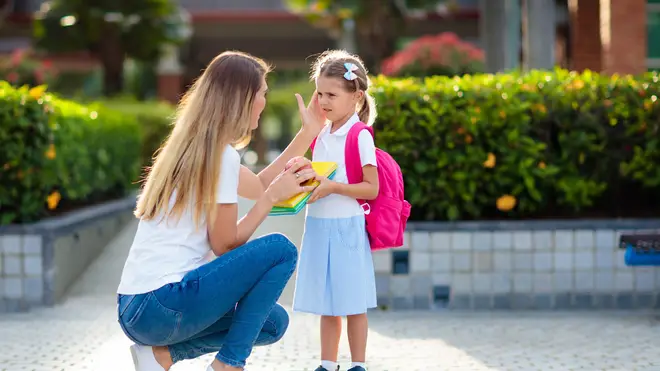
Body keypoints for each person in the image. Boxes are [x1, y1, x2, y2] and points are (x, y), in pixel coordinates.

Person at [115, 50, 326, 371]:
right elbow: (225, 244)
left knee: (271, 322)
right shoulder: (220, 156)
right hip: (161, 304)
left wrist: (307, 133)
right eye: (262, 94)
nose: (264, 103)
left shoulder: (194, 147)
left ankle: (160, 357)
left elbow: (257, 185)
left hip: (135, 308)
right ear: (242, 98)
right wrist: (271, 199)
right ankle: (229, 365)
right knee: (280, 250)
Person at [292, 50, 379, 371]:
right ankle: (328, 363)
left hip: (347, 229)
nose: (323, 101)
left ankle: (358, 364)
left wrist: (332, 188)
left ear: (356, 97)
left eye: (331, 94)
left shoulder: (359, 136)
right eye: (320, 93)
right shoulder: (321, 134)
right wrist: (305, 187)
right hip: (318, 226)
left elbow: (371, 188)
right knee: (328, 304)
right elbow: (320, 180)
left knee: (353, 303)